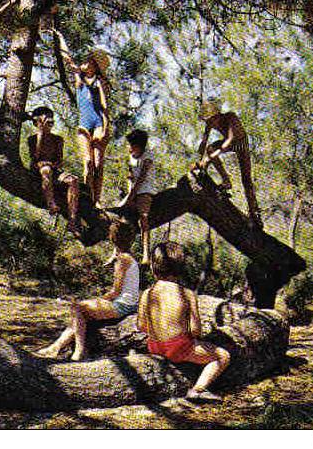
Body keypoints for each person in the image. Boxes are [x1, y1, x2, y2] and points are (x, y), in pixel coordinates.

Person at [137, 242, 231, 403]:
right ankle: (198, 390)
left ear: (153, 268)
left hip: (153, 346)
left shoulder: (147, 293)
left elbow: (141, 326)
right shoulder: (187, 293)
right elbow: (195, 330)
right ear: (181, 269)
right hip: (178, 348)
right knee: (223, 356)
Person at [35, 226, 139, 361]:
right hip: (129, 303)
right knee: (79, 315)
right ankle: (55, 347)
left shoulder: (123, 259)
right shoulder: (129, 257)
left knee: (77, 307)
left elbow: (115, 291)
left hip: (122, 305)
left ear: (112, 238)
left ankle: (79, 351)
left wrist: (99, 299)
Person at [51, 29, 111, 208]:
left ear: (94, 66)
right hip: (84, 124)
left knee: (98, 164)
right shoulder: (79, 81)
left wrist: (106, 129)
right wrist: (60, 36)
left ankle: (97, 200)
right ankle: (88, 195)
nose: (83, 64)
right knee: (87, 162)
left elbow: (105, 108)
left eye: (88, 62)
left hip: (98, 123)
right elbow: (67, 58)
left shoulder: (99, 83)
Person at [191, 99, 262, 227]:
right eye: (207, 121)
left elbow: (230, 139)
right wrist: (197, 159)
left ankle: (254, 212)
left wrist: (211, 157)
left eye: (210, 120)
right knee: (210, 149)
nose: (209, 123)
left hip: (241, 143)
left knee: (246, 180)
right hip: (227, 143)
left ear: (216, 115)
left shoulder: (231, 117)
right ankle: (226, 181)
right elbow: (204, 142)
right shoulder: (209, 124)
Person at [26, 106, 80, 232]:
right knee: (46, 170)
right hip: (39, 170)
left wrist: (53, 164)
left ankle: (72, 219)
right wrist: (40, 133)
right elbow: (35, 157)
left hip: (53, 169)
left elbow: (59, 161)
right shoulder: (32, 139)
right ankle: (51, 204)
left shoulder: (58, 139)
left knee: (74, 180)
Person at [117, 129, 157, 266]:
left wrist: (132, 195)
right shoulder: (131, 157)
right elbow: (130, 176)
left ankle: (146, 254)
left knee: (143, 218)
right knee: (120, 220)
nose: (128, 147)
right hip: (133, 191)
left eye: (130, 144)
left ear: (138, 145)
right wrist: (129, 194)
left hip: (145, 190)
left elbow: (142, 177)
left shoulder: (148, 155)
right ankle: (117, 253)